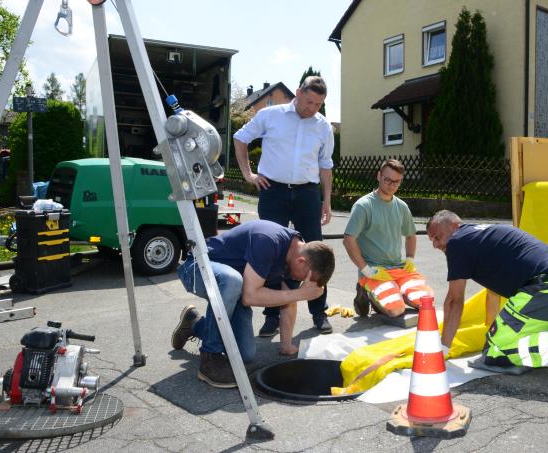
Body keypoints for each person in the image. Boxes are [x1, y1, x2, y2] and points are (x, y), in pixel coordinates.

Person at [426, 210, 548, 388]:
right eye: (431, 240)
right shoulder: (483, 234)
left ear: (454, 225)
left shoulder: (458, 241)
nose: (435, 245)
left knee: (495, 352)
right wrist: (492, 332)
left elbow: (454, 301)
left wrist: (442, 350)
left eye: (437, 237)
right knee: (520, 338)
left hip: (546, 291)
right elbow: (493, 294)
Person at [172, 220, 335, 388]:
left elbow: (289, 302)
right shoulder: (268, 241)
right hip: (197, 268)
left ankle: (195, 324)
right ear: (302, 262)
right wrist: (301, 294)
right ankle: (210, 357)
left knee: (245, 354)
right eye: (305, 279)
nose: (302, 282)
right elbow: (249, 297)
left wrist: (286, 345)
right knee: (232, 280)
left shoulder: (295, 257)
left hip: (234, 290)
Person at [233, 76, 334, 337]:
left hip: (307, 194)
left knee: (316, 254)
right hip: (273, 191)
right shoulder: (270, 115)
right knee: (270, 253)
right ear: (298, 93)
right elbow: (240, 138)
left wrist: (327, 201)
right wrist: (248, 174)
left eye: (318, 104)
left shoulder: (323, 127)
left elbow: (326, 166)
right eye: (309, 101)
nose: (313, 108)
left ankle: (319, 312)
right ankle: (271, 317)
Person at [343, 159, 433, 317]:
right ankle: (366, 292)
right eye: (388, 180)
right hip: (375, 271)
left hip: (399, 269)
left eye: (396, 182)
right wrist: (366, 270)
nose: (392, 185)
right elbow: (348, 240)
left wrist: (410, 259)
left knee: (426, 301)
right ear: (378, 176)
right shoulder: (364, 206)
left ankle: (392, 291)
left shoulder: (402, 207)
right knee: (395, 310)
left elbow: (411, 235)